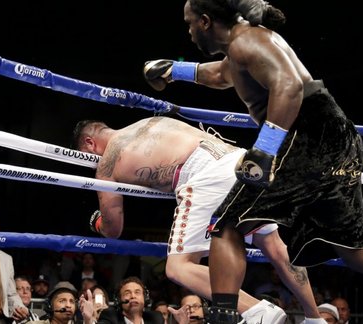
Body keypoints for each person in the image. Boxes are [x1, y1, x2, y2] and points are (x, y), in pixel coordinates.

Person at [141, 0, 363, 323]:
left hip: (306, 139)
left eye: (189, 24)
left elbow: (288, 87)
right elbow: (222, 76)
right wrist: (174, 70)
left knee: (227, 227)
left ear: (205, 22)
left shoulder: (247, 41)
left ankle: (225, 318)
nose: (188, 32)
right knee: (356, 251)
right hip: (336, 139)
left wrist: (264, 150)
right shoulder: (246, 44)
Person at [73, 117, 321, 323]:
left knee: (179, 267)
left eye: (85, 155)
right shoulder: (151, 121)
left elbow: (113, 227)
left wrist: (96, 221)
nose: (90, 161)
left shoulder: (107, 162)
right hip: (240, 159)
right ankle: (314, 317)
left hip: (205, 176)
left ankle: (258, 310)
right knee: (273, 245)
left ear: (89, 142)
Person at [79, 276, 164, 324]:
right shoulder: (110, 317)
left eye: (137, 292)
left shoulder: (155, 319)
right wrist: (88, 320)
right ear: (118, 300)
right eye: (127, 293)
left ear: (145, 298)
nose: (133, 296)